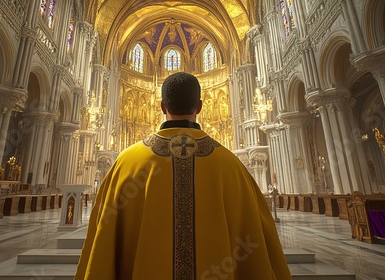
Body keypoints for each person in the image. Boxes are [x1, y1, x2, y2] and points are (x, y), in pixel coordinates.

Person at [75, 72, 291, 279]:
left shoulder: (126, 163)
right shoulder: (230, 165)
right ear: (199, 106)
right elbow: (257, 236)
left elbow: (102, 236)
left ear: (162, 107)